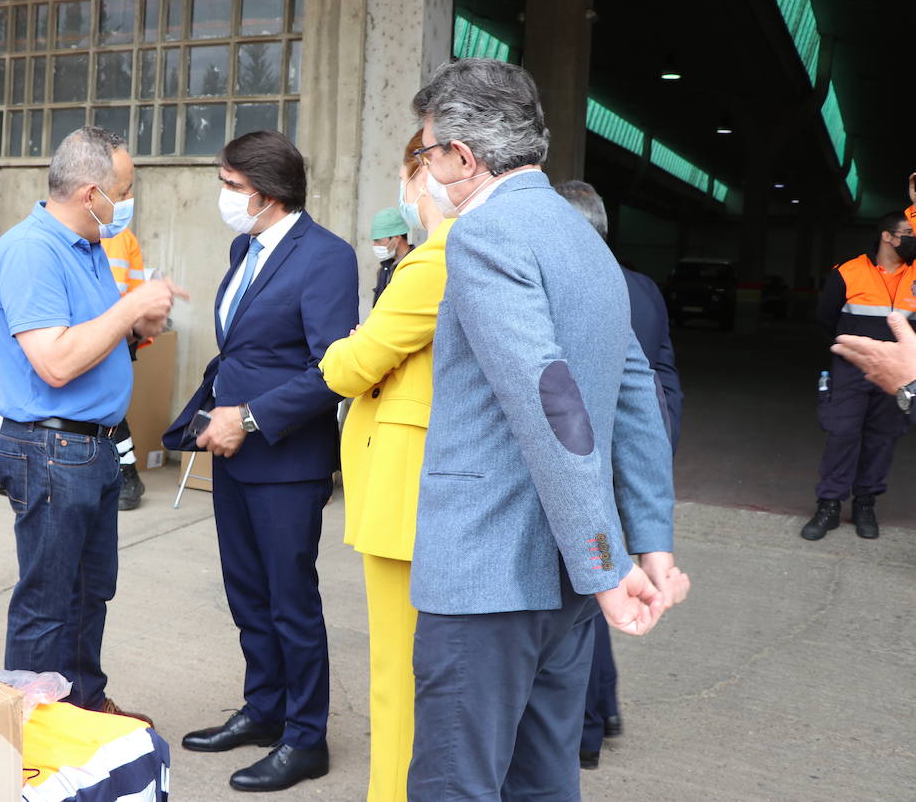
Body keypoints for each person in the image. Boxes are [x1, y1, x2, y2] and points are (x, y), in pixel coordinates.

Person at [405, 58, 686, 801]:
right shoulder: (581, 235)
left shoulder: (484, 235)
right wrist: (645, 543)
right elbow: (637, 397)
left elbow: (548, 402)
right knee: (543, 780)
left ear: (463, 157)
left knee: (453, 784)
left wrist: (605, 565)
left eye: (429, 153)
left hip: (486, 578)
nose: (428, 169)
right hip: (561, 588)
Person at [167, 130, 358, 793]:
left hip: (284, 458)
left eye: (230, 186)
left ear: (267, 192)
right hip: (234, 454)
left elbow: (332, 369)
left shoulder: (325, 258)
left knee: (290, 601)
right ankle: (265, 707)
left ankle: (306, 738)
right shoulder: (243, 246)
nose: (223, 197)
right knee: (248, 594)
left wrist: (247, 417)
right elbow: (247, 350)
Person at [0, 126, 184, 720]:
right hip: (51, 447)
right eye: (124, 191)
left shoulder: (91, 248)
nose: (128, 203)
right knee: (49, 601)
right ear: (91, 192)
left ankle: (83, 706)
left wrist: (132, 328)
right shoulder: (30, 251)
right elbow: (56, 360)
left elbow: (85, 336)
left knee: (88, 592)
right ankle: (34, 730)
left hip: (91, 447)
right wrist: (130, 307)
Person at [317, 135, 458, 802]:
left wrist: (354, 346)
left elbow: (350, 366)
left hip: (404, 493)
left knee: (394, 675)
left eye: (407, 176)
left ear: (427, 172)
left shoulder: (436, 259)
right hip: (421, 487)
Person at [555, 179, 685, 769]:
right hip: (619, 464)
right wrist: (657, 452)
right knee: (597, 592)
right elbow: (664, 378)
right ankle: (601, 711)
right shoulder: (645, 288)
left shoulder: (575, 289)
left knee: (588, 595)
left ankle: (586, 728)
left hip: (583, 469)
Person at [803, 209, 916, 541]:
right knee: (842, 434)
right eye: (908, 232)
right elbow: (825, 320)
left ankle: (865, 503)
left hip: (898, 372)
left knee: (883, 438)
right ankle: (829, 506)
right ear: (887, 236)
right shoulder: (847, 273)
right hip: (852, 371)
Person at [103, 225, 149, 511]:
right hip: (113, 331)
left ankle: (128, 476)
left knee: (111, 408)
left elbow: (110, 294)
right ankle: (122, 474)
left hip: (116, 331)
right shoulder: (107, 235)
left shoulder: (113, 237)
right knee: (108, 408)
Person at [368, 207, 412, 303]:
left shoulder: (415, 265)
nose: (375, 246)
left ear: (397, 237)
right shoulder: (384, 269)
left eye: (379, 241)